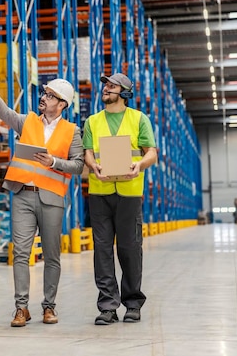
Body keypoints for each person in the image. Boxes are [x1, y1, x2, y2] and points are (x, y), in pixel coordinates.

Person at [0, 62, 84, 327]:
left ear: (62, 104)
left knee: (52, 255)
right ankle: (21, 308)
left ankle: (49, 306)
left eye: (50, 96)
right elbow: (4, 112)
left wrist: (54, 163)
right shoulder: (28, 121)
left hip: (52, 198)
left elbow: (79, 165)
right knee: (20, 253)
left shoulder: (72, 131)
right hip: (22, 194)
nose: (43, 98)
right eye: (44, 94)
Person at [82, 73, 158, 325]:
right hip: (100, 191)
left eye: (111, 86)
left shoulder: (139, 119)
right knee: (102, 250)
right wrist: (93, 167)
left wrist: (139, 165)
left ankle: (133, 303)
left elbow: (152, 153)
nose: (105, 89)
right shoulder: (92, 121)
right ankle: (107, 306)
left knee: (129, 249)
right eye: (105, 86)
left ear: (124, 92)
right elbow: (88, 154)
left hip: (129, 191)